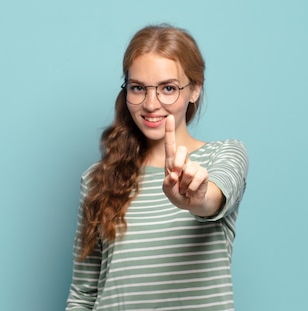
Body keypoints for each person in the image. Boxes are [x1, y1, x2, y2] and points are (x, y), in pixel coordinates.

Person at [66, 24, 249, 311]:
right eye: (138, 88)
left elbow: (214, 199)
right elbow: (83, 294)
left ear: (195, 90)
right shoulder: (96, 179)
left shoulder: (225, 155)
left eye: (168, 88)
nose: (151, 104)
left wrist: (197, 199)